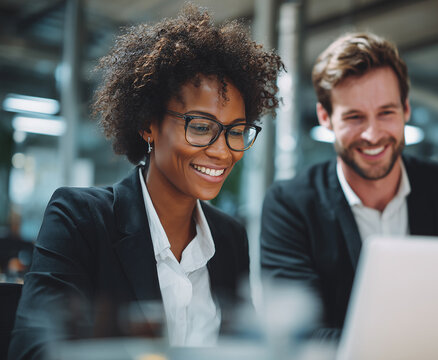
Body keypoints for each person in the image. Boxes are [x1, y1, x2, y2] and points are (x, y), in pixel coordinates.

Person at [9, 5, 283, 359]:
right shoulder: (80, 219)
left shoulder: (229, 238)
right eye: (200, 127)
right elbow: (33, 349)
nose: (222, 151)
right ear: (148, 125)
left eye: (236, 131)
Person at [260, 32, 438, 340]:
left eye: (386, 113)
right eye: (355, 117)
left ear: (405, 109)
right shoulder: (291, 204)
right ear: (325, 117)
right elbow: (297, 334)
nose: (372, 134)